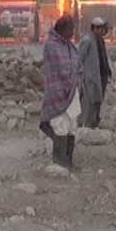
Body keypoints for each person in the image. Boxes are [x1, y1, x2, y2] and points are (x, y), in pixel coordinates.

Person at [39, 15, 83, 168]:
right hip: (58, 92)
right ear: (62, 29)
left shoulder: (69, 46)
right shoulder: (52, 46)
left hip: (72, 93)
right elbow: (58, 69)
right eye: (70, 29)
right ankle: (59, 163)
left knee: (72, 126)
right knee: (60, 125)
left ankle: (68, 161)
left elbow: (76, 66)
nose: (72, 33)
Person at [78, 17, 110, 128]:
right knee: (88, 102)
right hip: (89, 77)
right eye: (100, 29)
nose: (102, 31)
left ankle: (93, 123)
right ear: (94, 28)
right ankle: (85, 125)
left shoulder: (98, 40)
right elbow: (80, 59)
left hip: (98, 76)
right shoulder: (87, 40)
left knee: (96, 101)